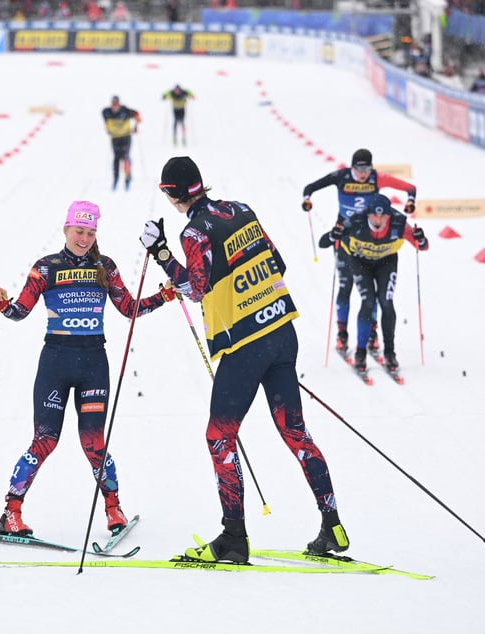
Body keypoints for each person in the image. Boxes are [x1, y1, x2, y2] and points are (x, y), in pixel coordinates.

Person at [139, 156, 348, 563]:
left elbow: (195, 289)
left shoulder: (194, 232)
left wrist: (161, 252)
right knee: (296, 433)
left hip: (245, 346)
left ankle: (233, 537)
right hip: (282, 333)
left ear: (172, 194)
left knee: (219, 437)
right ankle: (333, 524)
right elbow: (278, 262)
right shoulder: (241, 209)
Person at [0, 200, 175, 536]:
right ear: (66, 229)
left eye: (90, 232)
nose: (84, 238)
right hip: (56, 362)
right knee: (45, 440)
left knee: (94, 443)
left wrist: (163, 296)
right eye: (79, 231)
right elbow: (19, 312)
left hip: (93, 363)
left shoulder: (105, 266)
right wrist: (2, 303)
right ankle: (11, 513)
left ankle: (113, 508)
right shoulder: (46, 268)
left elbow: (129, 308)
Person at [301, 148, 417, 355]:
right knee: (345, 286)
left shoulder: (377, 178)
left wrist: (410, 203)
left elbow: (410, 188)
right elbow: (310, 187)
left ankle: (372, 332)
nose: (363, 174)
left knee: (372, 293)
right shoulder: (341, 176)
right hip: (345, 235)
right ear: (352, 167)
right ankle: (342, 333)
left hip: (368, 237)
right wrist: (307, 200)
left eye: (367, 169)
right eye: (359, 169)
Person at [318, 193, 429, 373]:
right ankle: (360, 352)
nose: (378, 220)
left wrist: (420, 238)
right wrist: (333, 235)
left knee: (386, 301)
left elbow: (422, 246)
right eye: (374, 215)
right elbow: (323, 243)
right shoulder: (356, 221)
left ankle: (390, 352)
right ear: (367, 214)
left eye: (383, 216)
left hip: (386, 262)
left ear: (389, 215)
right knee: (368, 301)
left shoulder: (399, 223)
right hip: (360, 262)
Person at [101, 95, 141, 191]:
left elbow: (137, 114)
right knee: (116, 158)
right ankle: (116, 178)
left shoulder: (125, 111)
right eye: (113, 104)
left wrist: (136, 126)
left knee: (125, 156)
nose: (115, 107)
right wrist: (107, 128)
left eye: (116, 104)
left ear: (119, 104)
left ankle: (127, 177)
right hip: (115, 138)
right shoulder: (106, 112)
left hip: (126, 137)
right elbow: (105, 119)